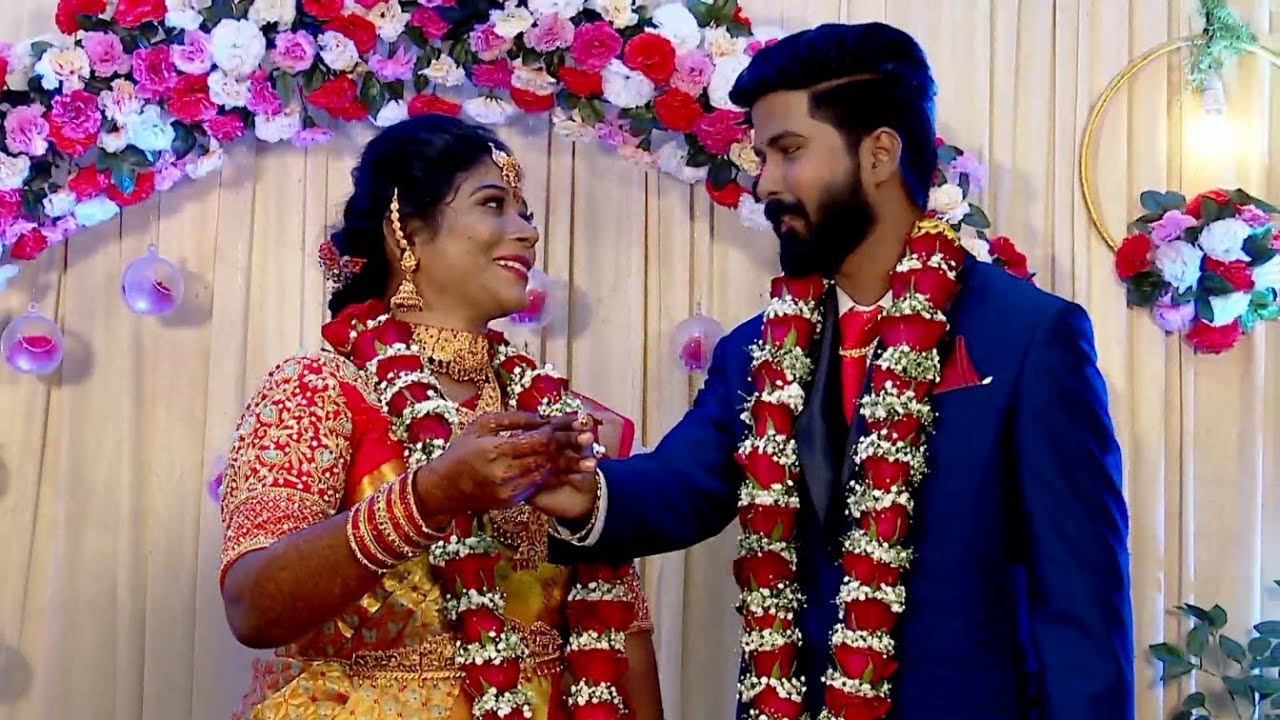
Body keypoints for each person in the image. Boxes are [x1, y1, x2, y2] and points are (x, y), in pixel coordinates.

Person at [533, 22, 1133, 720]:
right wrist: (586, 494)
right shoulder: (753, 350)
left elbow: (1081, 606)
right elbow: (683, 483)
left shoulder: (1027, 338)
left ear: (878, 154)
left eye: (788, 151)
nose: (763, 183)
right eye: (761, 156)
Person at [216, 114, 663, 720]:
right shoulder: (319, 390)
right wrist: (427, 498)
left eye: (526, 213)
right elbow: (252, 606)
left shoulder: (555, 413)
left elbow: (622, 623)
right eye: (493, 204)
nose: (528, 233)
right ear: (404, 231)